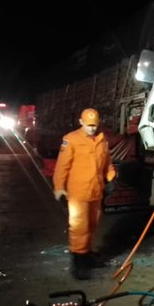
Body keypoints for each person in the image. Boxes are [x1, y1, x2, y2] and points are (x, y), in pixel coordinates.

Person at [53, 108, 116, 279]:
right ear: (81, 122)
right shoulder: (71, 139)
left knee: (93, 225)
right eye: (88, 125)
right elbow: (61, 167)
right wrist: (59, 188)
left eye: (94, 125)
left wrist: (111, 178)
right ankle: (78, 261)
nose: (92, 129)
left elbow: (107, 163)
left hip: (96, 191)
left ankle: (86, 254)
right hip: (78, 193)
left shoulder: (102, 140)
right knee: (79, 227)